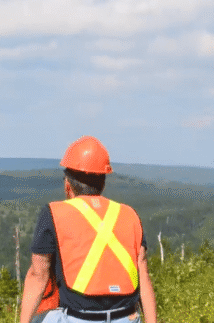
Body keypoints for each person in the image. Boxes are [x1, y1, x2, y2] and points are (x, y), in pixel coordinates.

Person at [20, 136, 158, 323]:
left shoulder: (53, 213)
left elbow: (38, 275)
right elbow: (143, 277)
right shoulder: (129, 214)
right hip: (127, 317)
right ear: (103, 182)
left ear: (67, 184)